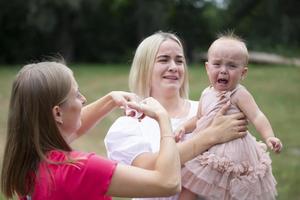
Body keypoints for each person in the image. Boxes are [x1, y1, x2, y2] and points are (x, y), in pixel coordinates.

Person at [0, 61, 185, 200]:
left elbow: (67, 129)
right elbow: (167, 183)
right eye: (76, 94)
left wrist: (110, 100)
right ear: (57, 113)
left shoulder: (31, 162)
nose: (83, 99)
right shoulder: (79, 168)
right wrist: (163, 118)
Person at [104, 31, 248, 200]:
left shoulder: (207, 110)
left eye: (179, 60)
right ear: (145, 67)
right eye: (164, 59)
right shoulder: (129, 125)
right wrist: (210, 137)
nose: (174, 66)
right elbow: (149, 168)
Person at [174, 33, 283, 200]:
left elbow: (257, 116)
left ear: (243, 72)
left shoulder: (239, 94)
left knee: (230, 191)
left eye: (232, 66)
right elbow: (198, 119)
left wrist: (270, 137)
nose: (223, 70)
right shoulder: (206, 93)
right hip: (208, 149)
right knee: (189, 187)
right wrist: (183, 126)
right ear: (207, 68)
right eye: (217, 64)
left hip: (233, 153)